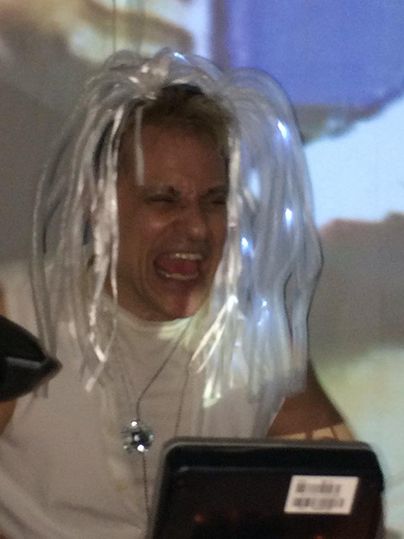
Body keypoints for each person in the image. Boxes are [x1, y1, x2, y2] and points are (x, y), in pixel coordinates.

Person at [0, 49, 352, 538]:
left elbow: (345, 499)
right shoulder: (18, 317)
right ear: (97, 205)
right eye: (163, 200)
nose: (196, 228)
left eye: (214, 201)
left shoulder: (258, 344)